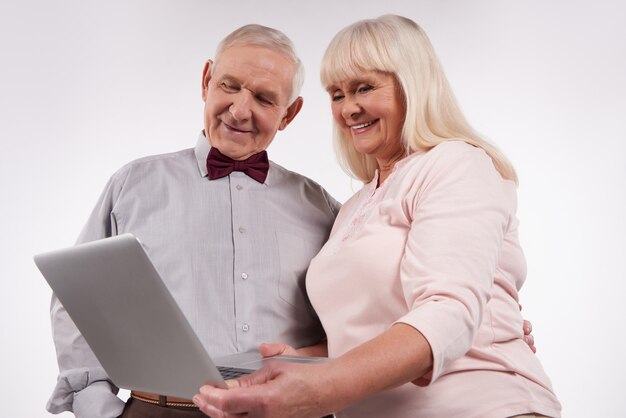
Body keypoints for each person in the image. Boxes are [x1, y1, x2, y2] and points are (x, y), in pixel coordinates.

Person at [193, 15, 561, 418]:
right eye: (336, 94)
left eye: (364, 87)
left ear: (413, 84)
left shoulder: (456, 164)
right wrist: (302, 361)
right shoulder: (352, 206)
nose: (349, 108)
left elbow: (448, 311)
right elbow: (365, 339)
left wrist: (320, 390)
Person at [46, 24, 340, 418]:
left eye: (265, 99)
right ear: (206, 80)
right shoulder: (133, 185)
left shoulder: (322, 208)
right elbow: (77, 296)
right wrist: (97, 405)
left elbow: (354, 317)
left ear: (289, 113)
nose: (240, 110)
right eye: (230, 86)